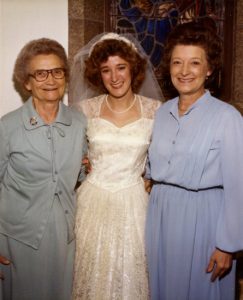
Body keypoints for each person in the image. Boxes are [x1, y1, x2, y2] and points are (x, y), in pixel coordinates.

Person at [145, 20, 243, 300]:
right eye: (177, 63)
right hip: (160, 217)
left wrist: (227, 245)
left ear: (209, 69)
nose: (184, 71)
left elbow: (239, 187)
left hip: (204, 220)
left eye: (194, 63)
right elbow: (152, 170)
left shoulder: (227, 117)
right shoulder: (161, 114)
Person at [69, 32, 163, 299]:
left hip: (135, 205)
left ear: (133, 68)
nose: (115, 77)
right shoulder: (84, 110)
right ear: (98, 74)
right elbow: (71, 156)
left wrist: (153, 179)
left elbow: (167, 157)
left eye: (121, 67)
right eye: (106, 70)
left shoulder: (156, 110)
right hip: (92, 202)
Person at [0, 38, 87, 300]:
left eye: (57, 71)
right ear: (26, 82)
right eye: (40, 73)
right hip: (18, 239)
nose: (50, 80)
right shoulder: (8, 126)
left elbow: (79, 175)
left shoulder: (79, 122)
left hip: (65, 236)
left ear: (65, 77)